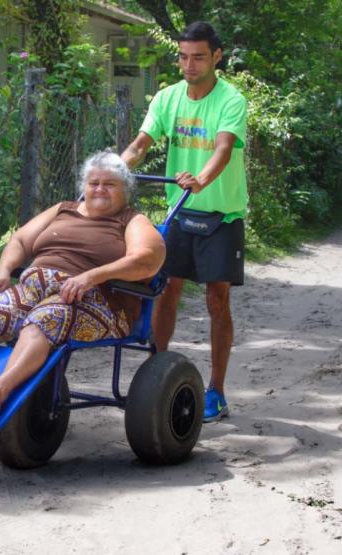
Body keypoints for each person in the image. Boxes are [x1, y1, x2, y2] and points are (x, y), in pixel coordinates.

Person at [0, 152, 165, 422]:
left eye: (109, 184)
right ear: (83, 187)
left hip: (91, 300)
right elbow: (20, 240)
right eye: (93, 182)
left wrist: (91, 277)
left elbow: (147, 260)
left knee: (44, 319)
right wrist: (4, 271)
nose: (99, 189)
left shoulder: (132, 220)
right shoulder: (64, 209)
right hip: (33, 289)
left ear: (126, 190)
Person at [120, 21, 247, 423]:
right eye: (183, 57)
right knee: (165, 290)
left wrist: (202, 180)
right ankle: (155, 377)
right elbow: (141, 145)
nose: (189, 65)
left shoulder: (231, 100)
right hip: (179, 210)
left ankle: (217, 391)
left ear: (216, 57)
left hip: (221, 214)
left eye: (198, 57)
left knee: (216, 300)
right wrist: (113, 170)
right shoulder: (168, 98)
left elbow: (223, 149)